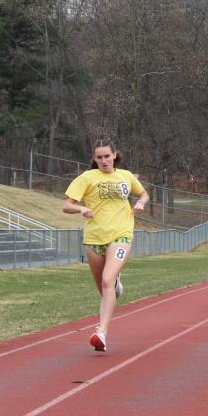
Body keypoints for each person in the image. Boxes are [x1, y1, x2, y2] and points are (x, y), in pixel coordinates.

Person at [63, 139, 148, 352]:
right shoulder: (87, 177)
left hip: (121, 235)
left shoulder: (126, 176)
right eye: (99, 157)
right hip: (94, 238)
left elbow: (143, 193)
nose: (103, 160)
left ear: (114, 155)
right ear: (94, 158)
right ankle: (115, 285)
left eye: (107, 156)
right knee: (105, 288)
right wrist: (82, 209)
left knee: (107, 280)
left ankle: (102, 333)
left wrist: (140, 202)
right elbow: (67, 205)